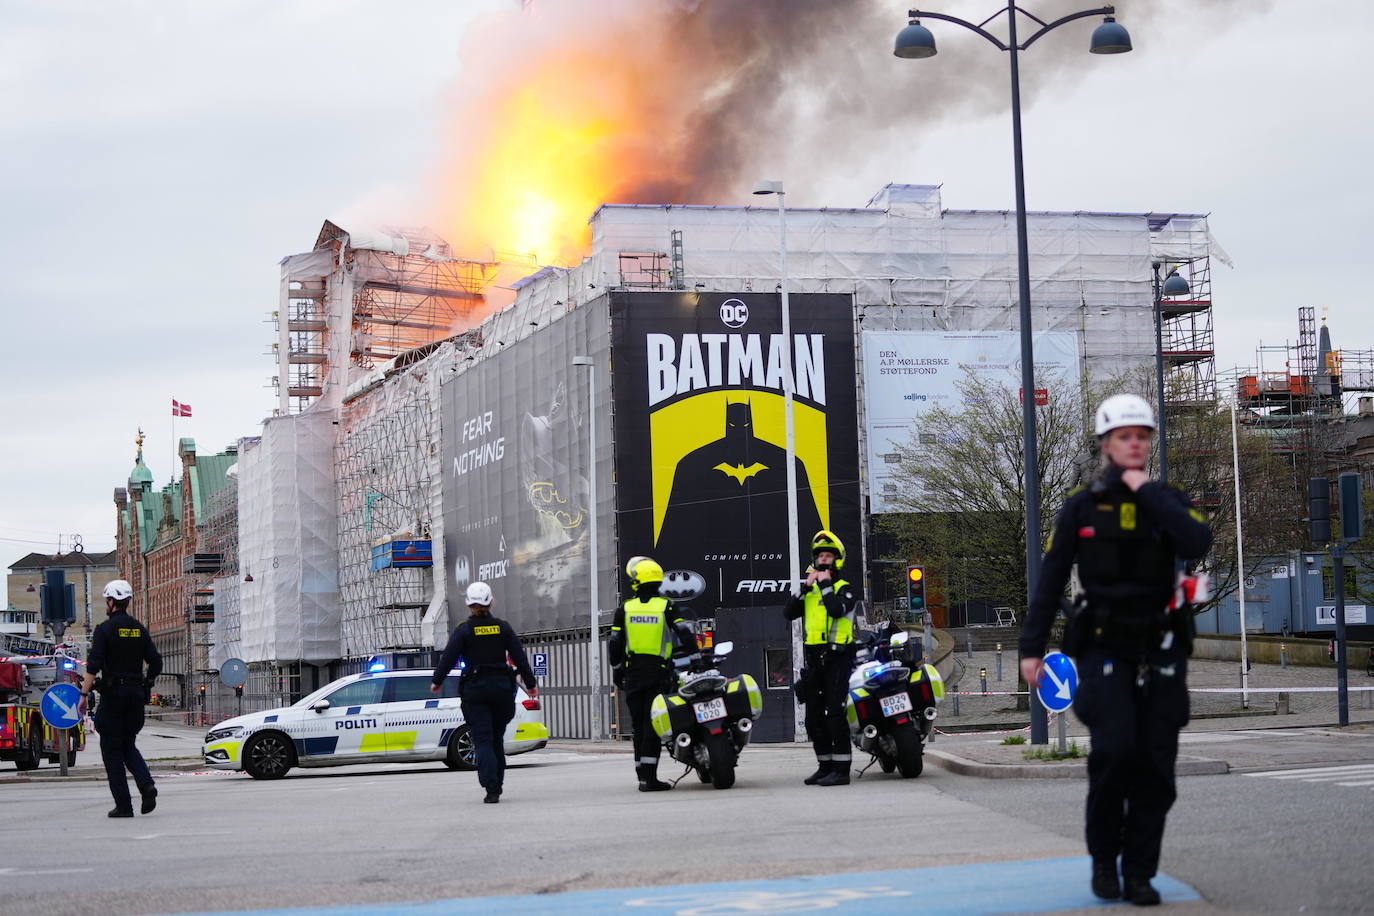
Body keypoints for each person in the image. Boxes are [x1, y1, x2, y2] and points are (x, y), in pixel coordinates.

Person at [1019, 394, 1212, 906]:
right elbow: (1052, 577)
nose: (1134, 443)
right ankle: (1105, 859)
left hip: (1160, 647)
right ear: (1106, 444)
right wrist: (1031, 648)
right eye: (1124, 436)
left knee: (1156, 765)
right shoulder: (1082, 507)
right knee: (1115, 752)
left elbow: (1196, 542)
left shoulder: (1167, 497)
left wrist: (1146, 492)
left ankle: (1140, 871)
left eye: (1142, 436)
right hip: (1104, 646)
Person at [431, 581, 539, 804]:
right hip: (501, 690)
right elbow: (519, 657)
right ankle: (497, 783)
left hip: (476, 691)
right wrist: (530, 684)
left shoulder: (464, 630)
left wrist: (437, 681)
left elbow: (448, 658)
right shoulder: (503, 627)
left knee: (483, 739)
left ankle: (491, 787)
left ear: (469, 604)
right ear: (491, 602)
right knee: (496, 738)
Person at [77, 579, 162, 818]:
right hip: (135, 697)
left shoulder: (104, 630)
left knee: (112, 750)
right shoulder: (138, 629)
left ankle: (124, 805)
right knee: (128, 744)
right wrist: (147, 682)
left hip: (113, 697)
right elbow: (156, 661)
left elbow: (93, 666)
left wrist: (84, 694)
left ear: (112, 602)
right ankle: (147, 785)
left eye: (107, 600)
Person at [784, 530, 859, 787]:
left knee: (834, 714)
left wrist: (825, 584)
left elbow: (837, 610)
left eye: (828, 555)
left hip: (838, 658)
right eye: (820, 555)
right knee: (813, 717)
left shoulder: (844, 589)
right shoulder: (812, 591)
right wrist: (806, 588)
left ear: (837, 560)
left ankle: (841, 769)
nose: (823, 559)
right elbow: (789, 613)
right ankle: (824, 765)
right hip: (815, 659)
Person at [609, 556, 689, 792]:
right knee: (653, 726)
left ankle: (641, 775)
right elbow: (684, 633)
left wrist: (616, 670)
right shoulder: (667, 606)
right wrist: (694, 655)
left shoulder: (624, 609)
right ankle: (650, 778)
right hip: (659, 675)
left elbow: (615, 644)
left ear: (637, 582)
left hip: (633, 675)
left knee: (638, 727)